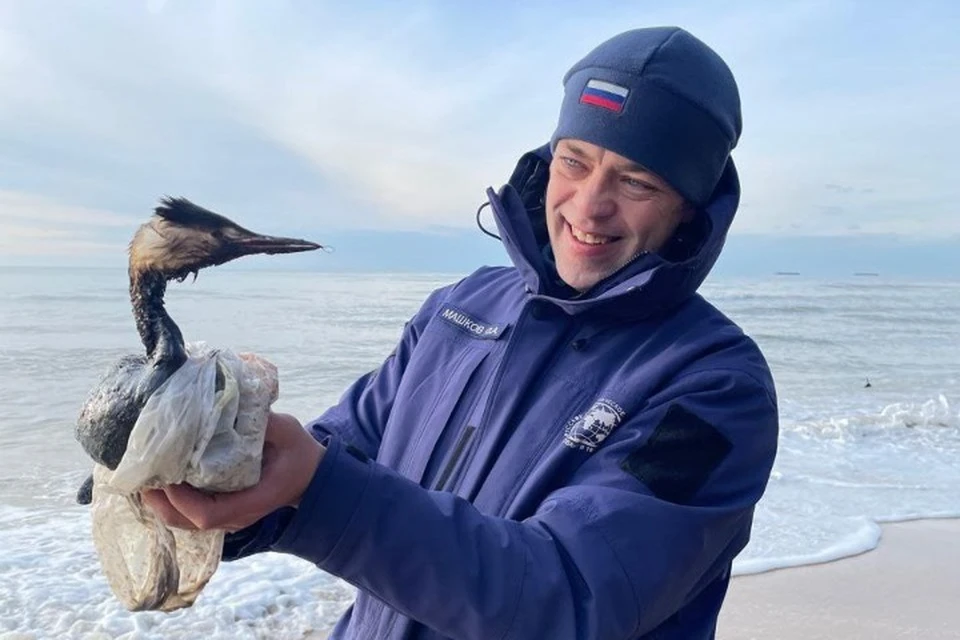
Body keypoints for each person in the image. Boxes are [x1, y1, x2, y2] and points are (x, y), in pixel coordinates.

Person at [145, 26, 779, 639]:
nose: (588, 205)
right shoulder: (462, 307)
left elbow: (572, 598)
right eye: (574, 162)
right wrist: (216, 486)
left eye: (636, 182)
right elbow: (339, 454)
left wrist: (318, 487)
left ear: (690, 209)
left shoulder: (715, 389)